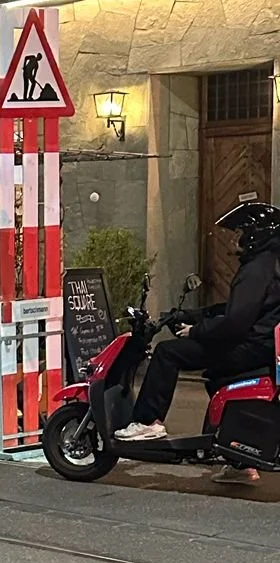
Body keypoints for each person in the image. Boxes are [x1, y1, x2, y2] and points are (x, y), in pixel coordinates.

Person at [117, 200, 280, 468]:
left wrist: (196, 331)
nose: (233, 239)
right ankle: (236, 461)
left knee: (167, 353)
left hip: (249, 346)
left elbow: (235, 323)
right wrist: (194, 315)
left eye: (239, 233)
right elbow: (234, 310)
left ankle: (148, 422)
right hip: (261, 345)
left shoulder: (256, 270)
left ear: (255, 234)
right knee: (212, 373)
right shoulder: (268, 264)